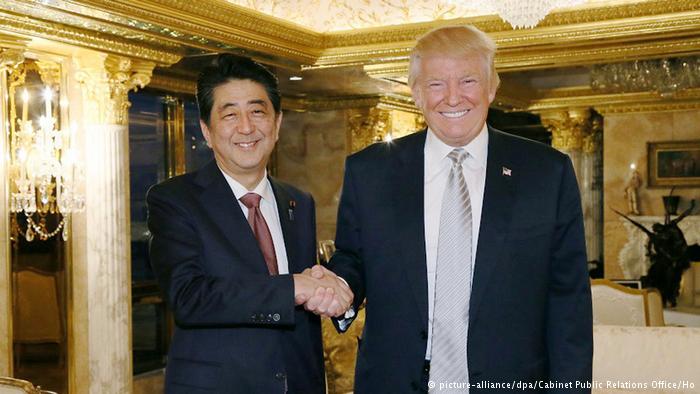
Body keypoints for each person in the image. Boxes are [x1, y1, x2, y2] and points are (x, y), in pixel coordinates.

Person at [318, 25, 593, 393]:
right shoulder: (370, 171)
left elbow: (568, 300)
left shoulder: (546, 172)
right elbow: (353, 257)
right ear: (415, 93)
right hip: (394, 381)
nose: (452, 97)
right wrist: (340, 286)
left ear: (492, 87)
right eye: (435, 84)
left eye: (467, 81)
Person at [147, 54, 352, 394]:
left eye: (257, 112)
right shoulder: (175, 199)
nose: (246, 127)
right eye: (230, 115)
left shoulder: (299, 202)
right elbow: (188, 296)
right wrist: (292, 288)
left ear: (277, 123)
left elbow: (301, 305)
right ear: (207, 131)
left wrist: (331, 294)